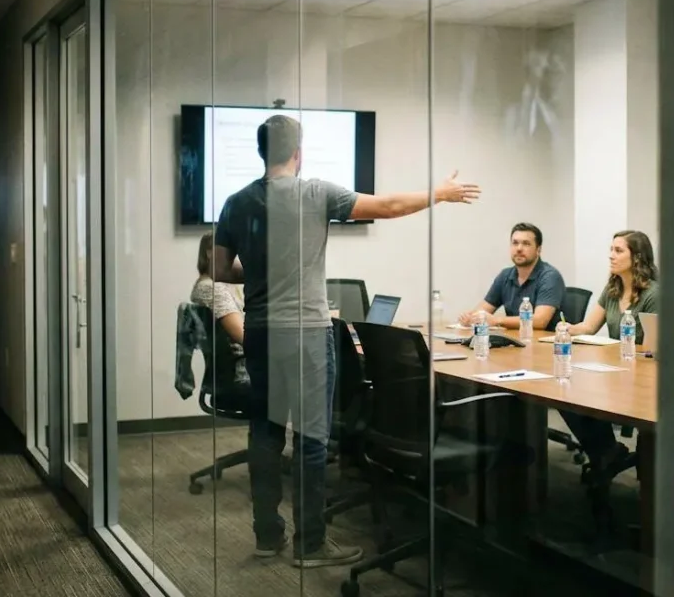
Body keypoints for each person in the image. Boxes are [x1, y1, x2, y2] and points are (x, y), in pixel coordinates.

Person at [208, 115, 480, 567]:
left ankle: (267, 537)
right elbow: (389, 206)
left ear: (261, 152)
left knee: (265, 432)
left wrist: (257, 273)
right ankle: (310, 546)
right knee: (312, 438)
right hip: (308, 334)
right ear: (299, 153)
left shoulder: (235, 203)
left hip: (259, 331)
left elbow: (219, 270)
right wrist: (440, 193)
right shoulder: (316, 192)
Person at [560, 230, 660, 482]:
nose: (611, 256)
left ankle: (609, 454)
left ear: (637, 258)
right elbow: (588, 327)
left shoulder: (654, 294)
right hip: (615, 370)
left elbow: (652, 348)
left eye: (618, 250)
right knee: (566, 393)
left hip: (643, 375)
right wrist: (567, 329)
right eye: (611, 249)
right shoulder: (613, 288)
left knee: (584, 394)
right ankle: (606, 451)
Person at [457, 223, 565, 330]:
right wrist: (470, 318)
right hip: (515, 341)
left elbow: (540, 321)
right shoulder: (505, 275)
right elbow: (483, 311)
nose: (519, 248)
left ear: (538, 250)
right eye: (515, 243)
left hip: (544, 344)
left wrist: (497, 321)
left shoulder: (550, 276)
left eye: (526, 244)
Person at [191, 231, 245, 364]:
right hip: (242, 367)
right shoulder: (211, 288)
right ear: (210, 253)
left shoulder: (212, 285)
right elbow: (243, 336)